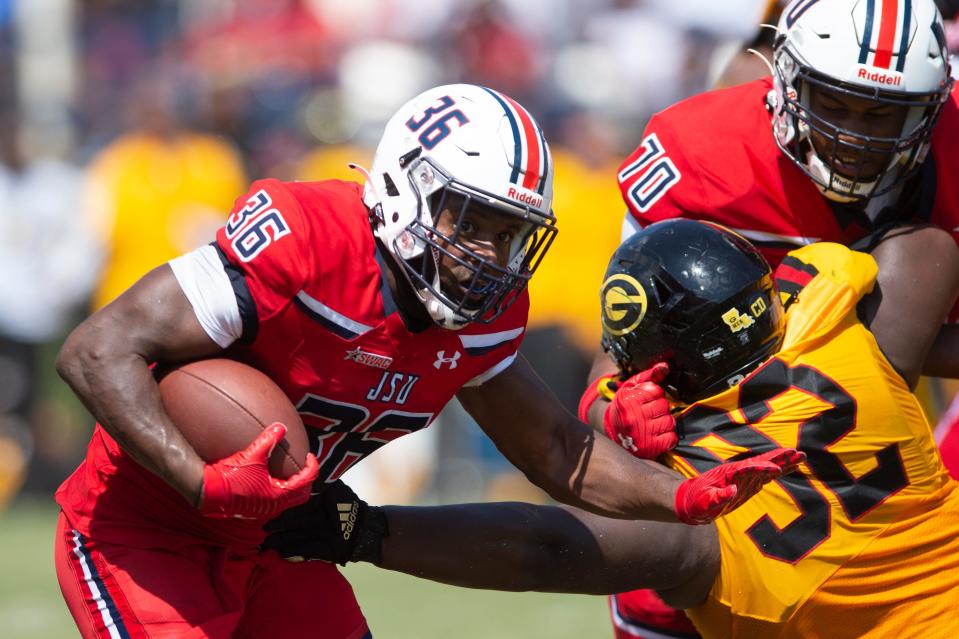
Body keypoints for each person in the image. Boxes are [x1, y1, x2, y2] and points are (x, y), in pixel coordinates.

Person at [52, 84, 796, 639]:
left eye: (509, 234)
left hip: (279, 537)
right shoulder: (308, 237)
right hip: (145, 528)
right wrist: (198, 479)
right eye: (470, 220)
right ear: (404, 188)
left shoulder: (486, 312)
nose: (486, 255)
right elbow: (95, 350)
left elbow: (555, 450)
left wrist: (681, 497)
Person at [264, 219, 959, 639]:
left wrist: (367, 529)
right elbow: (923, 248)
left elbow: (543, 546)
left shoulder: (700, 510)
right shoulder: (830, 316)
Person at [590, 1, 959, 633]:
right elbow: (614, 357)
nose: (855, 136)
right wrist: (617, 406)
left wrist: (855, 341)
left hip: (875, 447)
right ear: (783, 79)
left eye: (881, 114)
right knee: (664, 589)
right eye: (835, 103)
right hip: (716, 433)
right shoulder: (703, 154)